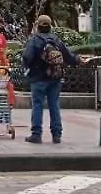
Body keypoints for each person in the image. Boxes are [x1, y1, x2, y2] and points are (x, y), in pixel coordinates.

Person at [21, 15, 83, 144]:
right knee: (54, 104)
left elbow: (27, 56)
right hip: (55, 77)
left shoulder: (34, 40)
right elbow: (68, 57)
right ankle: (56, 135)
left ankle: (36, 135)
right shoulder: (56, 40)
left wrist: (29, 67)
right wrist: (78, 60)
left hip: (38, 78)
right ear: (50, 26)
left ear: (37, 26)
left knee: (37, 105)